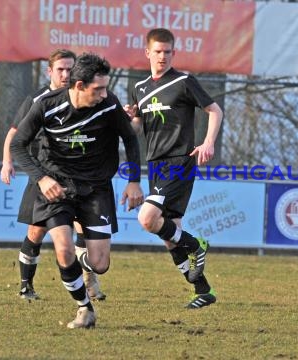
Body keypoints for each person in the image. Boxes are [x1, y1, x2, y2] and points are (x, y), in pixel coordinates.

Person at [10, 53, 144, 328]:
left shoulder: (108, 105)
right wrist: (41, 179)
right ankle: (85, 308)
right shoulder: (45, 106)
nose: (105, 94)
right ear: (79, 85)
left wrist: (133, 181)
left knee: (100, 263)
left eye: (106, 88)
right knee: (64, 249)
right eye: (99, 88)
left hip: (96, 188)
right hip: (56, 186)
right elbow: (18, 145)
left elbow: (129, 137)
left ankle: (88, 272)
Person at [125, 28, 223, 309]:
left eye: (168, 52)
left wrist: (208, 143)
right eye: (157, 51)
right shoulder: (140, 88)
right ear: (148, 53)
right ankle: (203, 290)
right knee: (168, 234)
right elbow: (138, 128)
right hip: (155, 164)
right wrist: (129, 119)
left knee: (147, 219)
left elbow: (215, 110)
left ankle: (196, 245)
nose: (162, 56)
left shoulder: (184, 81)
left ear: (174, 53)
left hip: (180, 161)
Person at [0, 49, 106, 302]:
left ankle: (90, 280)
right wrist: (7, 162)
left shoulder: (83, 98)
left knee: (83, 227)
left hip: (77, 176)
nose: (65, 74)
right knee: (36, 233)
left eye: (70, 69)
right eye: (60, 69)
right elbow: (14, 134)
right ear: (50, 71)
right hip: (43, 175)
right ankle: (26, 285)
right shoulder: (37, 100)